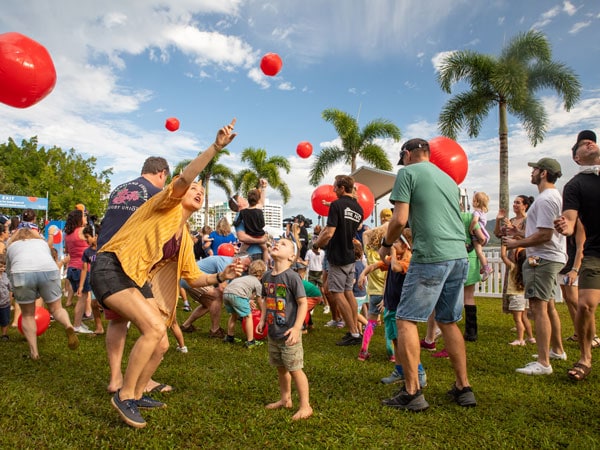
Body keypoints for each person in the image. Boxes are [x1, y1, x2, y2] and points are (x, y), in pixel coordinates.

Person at [91, 119, 243, 428]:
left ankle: (140, 388)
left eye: (202, 190)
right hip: (112, 267)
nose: (198, 191)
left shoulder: (184, 235)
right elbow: (187, 176)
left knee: (160, 341)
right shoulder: (165, 203)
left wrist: (221, 276)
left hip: (134, 278)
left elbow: (192, 277)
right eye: (195, 188)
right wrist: (215, 147)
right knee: (154, 329)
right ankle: (125, 395)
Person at [379, 138, 475, 411]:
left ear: (407, 154)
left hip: (432, 254)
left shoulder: (407, 173)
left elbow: (399, 219)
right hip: (458, 255)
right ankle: (463, 387)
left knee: (406, 319)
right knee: (448, 321)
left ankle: (412, 392)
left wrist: (386, 245)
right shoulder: (447, 178)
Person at [97, 156, 172, 395]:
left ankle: (115, 377)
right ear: (162, 173)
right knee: (152, 328)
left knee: (117, 320)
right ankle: (136, 383)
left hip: (104, 254)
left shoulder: (120, 188)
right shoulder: (155, 192)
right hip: (126, 261)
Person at [504, 157, 567, 376]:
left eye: (535, 169)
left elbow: (545, 235)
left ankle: (543, 362)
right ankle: (557, 350)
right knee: (549, 306)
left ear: (543, 173)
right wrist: (520, 233)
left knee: (538, 308)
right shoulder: (552, 197)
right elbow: (544, 231)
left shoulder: (545, 199)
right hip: (550, 256)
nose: (531, 173)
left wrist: (517, 242)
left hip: (542, 259)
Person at [554, 130, 600, 381]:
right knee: (584, 304)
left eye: (591, 140)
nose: (589, 143)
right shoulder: (575, 186)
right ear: (577, 158)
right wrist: (565, 227)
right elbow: (571, 222)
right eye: (582, 144)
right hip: (595, 252)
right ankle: (585, 358)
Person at [6, 209, 79, 359]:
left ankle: (34, 352)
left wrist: (14, 288)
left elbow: (8, 270)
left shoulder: (11, 245)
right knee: (57, 309)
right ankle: (68, 325)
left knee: (27, 315)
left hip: (22, 272)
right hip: (48, 270)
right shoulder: (41, 243)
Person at [257, 237, 312, 420]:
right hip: (273, 333)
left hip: (289, 334)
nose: (277, 244)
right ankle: (285, 399)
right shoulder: (266, 276)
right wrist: (262, 319)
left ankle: (305, 406)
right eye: (277, 242)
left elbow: (302, 303)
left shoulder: (292, 277)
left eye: (283, 244)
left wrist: (297, 328)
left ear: (291, 256)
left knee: (295, 369)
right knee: (281, 368)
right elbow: (265, 300)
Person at [313, 175, 364, 346]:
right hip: (350, 256)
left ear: (342, 188)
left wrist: (316, 245)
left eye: (335, 187)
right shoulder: (358, 208)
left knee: (336, 293)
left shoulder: (337, 205)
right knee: (348, 292)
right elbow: (352, 227)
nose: (333, 190)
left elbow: (329, 232)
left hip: (338, 255)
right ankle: (356, 329)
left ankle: (354, 333)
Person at [180, 253, 253, 337]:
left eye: (247, 268)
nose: (245, 269)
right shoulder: (226, 263)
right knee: (217, 295)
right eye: (245, 265)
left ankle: (186, 326)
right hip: (191, 279)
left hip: (188, 279)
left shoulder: (230, 265)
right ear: (238, 260)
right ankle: (215, 330)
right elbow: (222, 288)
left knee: (209, 304)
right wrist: (241, 302)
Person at [357, 209, 393, 361]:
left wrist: (380, 226)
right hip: (388, 293)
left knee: (371, 323)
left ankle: (363, 351)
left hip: (373, 293)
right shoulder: (389, 254)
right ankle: (392, 353)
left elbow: (365, 234)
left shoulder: (369, 252)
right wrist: (388, 226)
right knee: (389, 324)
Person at [223, 259, 267, 348]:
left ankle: (229, 337)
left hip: (226, 293)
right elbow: (259, 300)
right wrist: (263, 313)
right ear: (262, 274)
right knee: (248, 316)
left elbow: (245, 291)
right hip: (237, 295)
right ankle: (251, 341)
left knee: (233, 315)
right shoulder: (258, 283)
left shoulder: (243, 278)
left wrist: (248, 301)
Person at [64, 209, 92, 334]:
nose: (86, 217)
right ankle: (76, 326)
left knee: (81, 296)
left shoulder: (68, 234)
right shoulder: (82, 231)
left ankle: (79, 322)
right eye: (84, 216)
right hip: (82, 268)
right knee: (82, 298)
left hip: (72, 268)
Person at [501, 246, 535, 346]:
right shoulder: (529, 270)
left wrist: (504, 245)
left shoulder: (513, 267)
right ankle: (531, 337)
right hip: (524, 297)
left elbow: (503, 256)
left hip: (515, 297)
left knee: (518, 320)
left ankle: (520, 339)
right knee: (525, 318)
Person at [78, 223, 104, 335]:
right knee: (94, 304)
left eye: (88, 237)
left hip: (106, 281)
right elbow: (84, 269)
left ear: (96, 235)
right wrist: (81, 286)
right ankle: (99, 328)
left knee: (102, 303)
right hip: (94, 281)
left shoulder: (105, 248)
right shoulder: (87, 252)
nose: (86, 240)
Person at [233, 183, 268, 262]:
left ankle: (235, 262)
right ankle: (266, 266)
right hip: (256, 245)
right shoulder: (258, 211)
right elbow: (241, 237)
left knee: (240, 253)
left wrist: (263, 187)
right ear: (238, 203)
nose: (243, 198)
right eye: (241, 198)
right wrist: (260, 240)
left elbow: (237, 223)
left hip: (250, 241)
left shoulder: (243, 213)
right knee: (265, 250)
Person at [470, 191, 493, 281]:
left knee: (478, 252)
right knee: (479, 253)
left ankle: (487, 268)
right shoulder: (483, 212)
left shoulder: (476, 212)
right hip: (484, 234)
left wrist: (471, 228)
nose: (472, 202)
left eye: (474, 200)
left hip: (478, 234)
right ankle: (483, 266)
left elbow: (475, 221)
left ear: (477, 202)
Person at [0, 253, 11, 341]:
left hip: (5, 303)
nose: (2, 268)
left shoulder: (6, 276)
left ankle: (4, 334)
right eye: (0, 266)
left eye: (4, 266)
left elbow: (10, 289)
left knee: (5, 321)